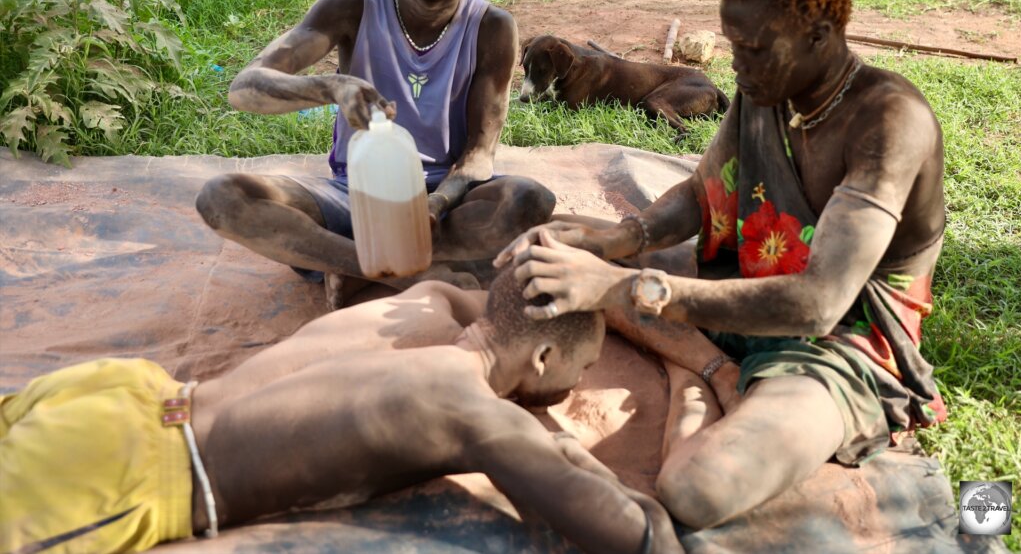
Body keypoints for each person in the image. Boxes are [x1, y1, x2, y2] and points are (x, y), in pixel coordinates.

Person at [497, 0, 948, 529]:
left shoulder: (890, 122)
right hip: (740, 281)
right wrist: (624, 238)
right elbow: (702, 192)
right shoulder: (765, 88)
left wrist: (614, 286)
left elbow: (818, 304)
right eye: (734, 43)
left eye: (754, 48)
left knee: (696, 489)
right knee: (555, 252)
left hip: (842, 345)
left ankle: (692, 367)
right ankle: (706, 365)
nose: (737, 63)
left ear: (820, 35)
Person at [0, 270, 683, 554]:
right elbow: (633, 537)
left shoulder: (429, 302)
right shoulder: (473, 413)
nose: (581, 381)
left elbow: (496, 298)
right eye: (581, 367)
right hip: (129, 467)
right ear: (539, 361)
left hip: (126, 392)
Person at [194, 0, 555, 306]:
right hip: (355, 198)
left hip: (446, 204)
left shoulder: (492, 27)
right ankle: (396, 272)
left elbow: (479, 154)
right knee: (223, 197)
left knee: (530, 199)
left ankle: (353, 265)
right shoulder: (355, 3)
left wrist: (435, 206)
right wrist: (330, 86)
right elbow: (245, 89)